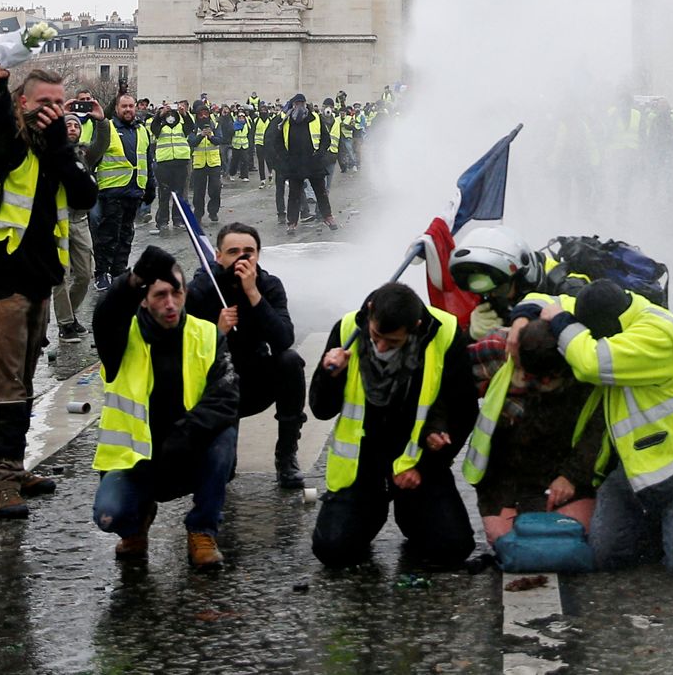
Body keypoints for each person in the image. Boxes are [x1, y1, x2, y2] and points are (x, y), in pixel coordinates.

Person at [506, 278, 673, 578]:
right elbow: (543, 299)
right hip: (635, 471)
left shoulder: (659, 334)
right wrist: (521, 320)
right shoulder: (610, 310)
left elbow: (590, 362)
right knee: (607, 554)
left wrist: (561, 321)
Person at [0, 63, 97, 518]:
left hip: (42, 278)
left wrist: (62, 145)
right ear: (25, 103)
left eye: (60, 103)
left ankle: (15, 465)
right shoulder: (5, 139)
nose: (54, 111)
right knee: (2, 384)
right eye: (45, 103)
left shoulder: (54, 146)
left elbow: (84, 195)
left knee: (23, 382)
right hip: (2, 278)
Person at [309, 281, 476, 567]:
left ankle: (410, 512)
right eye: (375, 336)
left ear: (417, 327)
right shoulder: (348, 328)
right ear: (371, 312)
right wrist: (328, 376)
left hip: (415, 460)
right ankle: (370, 510)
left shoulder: (445, 333)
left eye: (393, 342)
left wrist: (427, 464)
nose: (381, 346)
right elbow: (321, 410)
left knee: (453, 549)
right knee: (333, 551)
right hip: (362, 464)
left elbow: (464, 410)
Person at [92, 246, 239, 568]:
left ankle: (202, 530)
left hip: (186, 453)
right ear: (144, 299)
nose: (170, 303)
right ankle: (136, 525)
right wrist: (133, 279)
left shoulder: (207, 335)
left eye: (176, 292)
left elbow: (226, 398)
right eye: (160, 295)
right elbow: (106, 314)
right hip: (135, 461)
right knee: (108, 515)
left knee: (224, 434)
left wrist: (183, 436)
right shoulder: (121, 337)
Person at [184, 221, 307, 489]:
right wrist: (217, 332)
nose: (242, 258)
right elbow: (182, 349)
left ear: (258, 255)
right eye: (233, 251)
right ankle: (219, 451)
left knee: (290, 362)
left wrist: (253, 294)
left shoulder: (268, 285)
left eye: (248, 252)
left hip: (255, 381)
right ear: (218, 256)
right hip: (216, 385)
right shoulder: (203, 287)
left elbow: (284, 338)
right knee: (223, 472)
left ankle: (286, 455)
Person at [464, 318, 605, 547]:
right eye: (534, 377)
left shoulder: (586, 360)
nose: (544, 383)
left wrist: (571, 476)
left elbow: (597, 429)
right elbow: (449, 382)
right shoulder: (494, 349)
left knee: (574, 538)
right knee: (506, 542)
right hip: (504, 475)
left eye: (552, 377)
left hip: (560, 467)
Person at [92, 93, 152, 292]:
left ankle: (119, 271)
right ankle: (101, 272)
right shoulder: (107, 128)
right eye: (124, 106)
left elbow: (147, 161)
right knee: (108, 235)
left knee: (126, 235)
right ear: (116, 108)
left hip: (134, 191)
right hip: (112, 190)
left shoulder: (142, 130)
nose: (128, 110)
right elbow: (95, 157)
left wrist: (150, 187)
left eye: (131, 106)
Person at [274, 95, 334, 232]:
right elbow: (277, 142)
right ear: (293, 105)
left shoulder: (315, 118)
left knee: (321, 192)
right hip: (295, 163)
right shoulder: (286, 121)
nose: (299, 106)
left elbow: (326, 138)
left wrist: (320, 153)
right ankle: (292, 222)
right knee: (294, 195)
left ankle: (328, 216)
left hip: (313, 161)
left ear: (305, 104)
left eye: (302, 103)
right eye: (297, 103)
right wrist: (286, 157)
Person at [186, 107, 223, 226]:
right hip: (199, 163)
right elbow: (191, 142)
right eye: (200, 114)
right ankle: (198, 214)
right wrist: (201, 135)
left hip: (214, 162)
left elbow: (220, 140)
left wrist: (211, 137)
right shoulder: (193, 127)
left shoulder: (215, 125)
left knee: (216, 189)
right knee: (198, 192)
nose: (203, 116)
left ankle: (213, 212)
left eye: (205, 114)